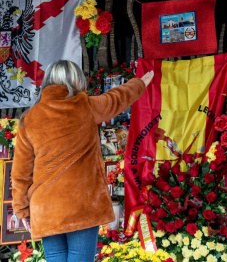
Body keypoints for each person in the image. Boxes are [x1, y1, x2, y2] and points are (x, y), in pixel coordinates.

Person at [11, 60, 154, 262]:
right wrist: (141, 82)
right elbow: (118, 98)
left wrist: (22, 210)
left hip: (46, 208)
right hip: (82, 205)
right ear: (76, 80)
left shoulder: (29, 118)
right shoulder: (86, 106)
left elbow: (20, 174)